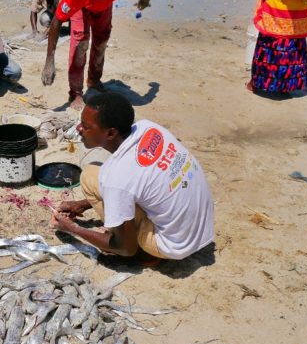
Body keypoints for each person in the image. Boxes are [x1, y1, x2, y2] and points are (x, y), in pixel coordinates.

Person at [51, 93, 214, 261]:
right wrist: (83, 205)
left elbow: (125, 248)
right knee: (93, 177)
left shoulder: (116, 178)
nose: (78, 128)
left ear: (110, 133)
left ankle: (146, 254)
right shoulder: (148, 128)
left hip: (174, 245)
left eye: (86, 126)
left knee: (90, 178)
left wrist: (73, 229)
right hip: (202, 227)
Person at [41, 0, 150, 110]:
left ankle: (94, 81)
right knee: (80, 44)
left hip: (104, 5)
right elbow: (57, 21)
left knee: (101, 40)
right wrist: (49, 61)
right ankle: (76, 93)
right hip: (81, 5)